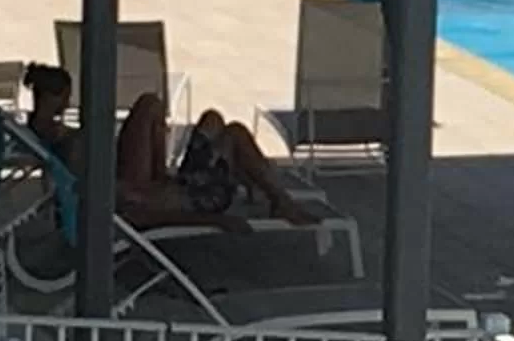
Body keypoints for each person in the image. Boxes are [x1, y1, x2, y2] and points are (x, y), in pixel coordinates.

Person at [20, 63, 308, 230]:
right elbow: (133, 210)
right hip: (161, 195)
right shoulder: (65, 146)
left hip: (170, 186)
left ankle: (273, 194)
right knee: (156, 106)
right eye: (66, 96)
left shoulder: (43, 133)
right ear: (55, 97)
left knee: (213, 119)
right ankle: (279, 199)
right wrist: (215, 221)